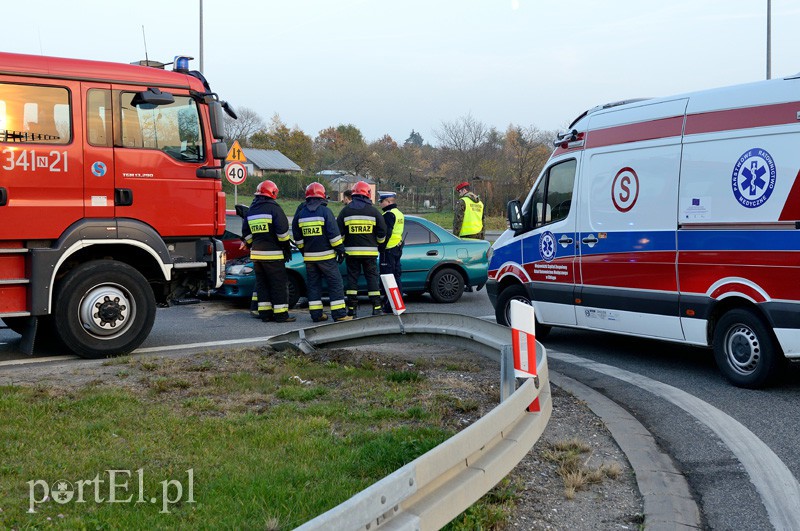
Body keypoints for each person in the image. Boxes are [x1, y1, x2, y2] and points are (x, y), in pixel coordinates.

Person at [292, 182, 352, 323]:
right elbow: (334, 235)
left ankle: (316, 315)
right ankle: (339, 314)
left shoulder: (300, 214)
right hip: (326, 258)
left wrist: (304, 251)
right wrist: (341, 251)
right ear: (322, 196)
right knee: (336, 284)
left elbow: (298, 237)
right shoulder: (325, 212)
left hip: (310, 259)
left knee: (313, 286)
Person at [241, 180, 295, 323]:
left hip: (257, 256)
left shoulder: (252, 210)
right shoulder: (274, 209)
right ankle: (281, 315)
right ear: (273, 192)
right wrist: (285, 247)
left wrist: (253, 243)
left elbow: (246, 233)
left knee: (262, 285)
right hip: (274, 255)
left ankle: (265, 314)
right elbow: (283, 232)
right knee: (278, 285)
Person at [337, 181, 387, 317]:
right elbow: (382, 232)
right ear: (367, 194)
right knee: (372, 278)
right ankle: (376, 307)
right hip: (370, 253)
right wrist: (378, 243)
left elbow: (339, 234)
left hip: (351, 253)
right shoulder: (373, 211)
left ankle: (352, 310)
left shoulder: (345, 211)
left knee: (352, 279)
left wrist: (342, 248)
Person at [378, 192, 404, 313]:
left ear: (388, 202)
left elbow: (386, 233)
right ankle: (398, 302)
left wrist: (381, 247)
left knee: (387, 278)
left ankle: (389, 305)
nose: (380, 203)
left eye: (381, 201)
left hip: (388, 250)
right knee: (396, 276)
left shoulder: (388, 214)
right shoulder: (399, 213)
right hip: (397, 248)